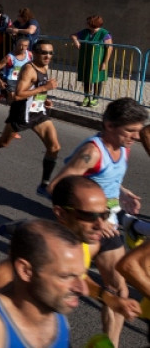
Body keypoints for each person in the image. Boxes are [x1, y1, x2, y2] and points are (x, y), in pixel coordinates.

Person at [0, 177, 141, 347]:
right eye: (89, 216)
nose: (100, 224)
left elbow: (78, 277)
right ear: (61, 213)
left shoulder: (86, 245)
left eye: (104, 214)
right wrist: (14, 334)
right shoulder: (44, 251)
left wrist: (109, 298)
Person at [47, 98, 148, 345]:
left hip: (109, 226)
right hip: (83, 230)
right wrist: (93, 216)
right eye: (130, 131)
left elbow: (104, 178)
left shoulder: (123, 147)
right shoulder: (92, 152)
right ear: (110, 125)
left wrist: (121, 193)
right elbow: (56, 187)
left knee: (119, 291)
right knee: (65, 291)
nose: (136, 136)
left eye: (137, 130)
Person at [0, 220, 87, 348]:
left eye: (81, 275)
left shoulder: (56, 312)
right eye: (66, 276)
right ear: (25, 271)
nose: (83, 290)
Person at [0, 40, 61, 197]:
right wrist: (44, 88)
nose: (48, 56)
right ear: (36, 53)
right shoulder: (28, 69)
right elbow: (18, 94)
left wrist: (44, 98)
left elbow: (37, 88)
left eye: (51, 53)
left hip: (38, 112)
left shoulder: (44, 66)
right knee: (4, 142)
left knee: (54, 147)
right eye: (44, 52)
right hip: (21, 113)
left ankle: (44, 184)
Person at [71, 15, 113, 107]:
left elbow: (109, 48)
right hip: (86, 60)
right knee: (87, 79)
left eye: (88, 22)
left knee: (97, 79)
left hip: (98, 61)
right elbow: (73, 35)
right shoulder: (85, 32)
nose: (86, 24)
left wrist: (105, 63)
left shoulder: (104, 34)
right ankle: (86, 97)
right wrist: (75, 41)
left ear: (92, 24)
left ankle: (95, 98)